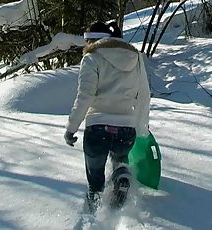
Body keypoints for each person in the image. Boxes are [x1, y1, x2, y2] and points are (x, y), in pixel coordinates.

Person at [64, 21, 150, 212]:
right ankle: (121, 175)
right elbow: (144, 94)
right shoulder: (135, 56)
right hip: (126, 128)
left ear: (92, 41)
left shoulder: (91, 58)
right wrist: (141, 127)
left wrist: (71, 127)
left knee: (95, 177)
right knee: (121, 158)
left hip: (97, 127)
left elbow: (85, 96)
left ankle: (94, 211)